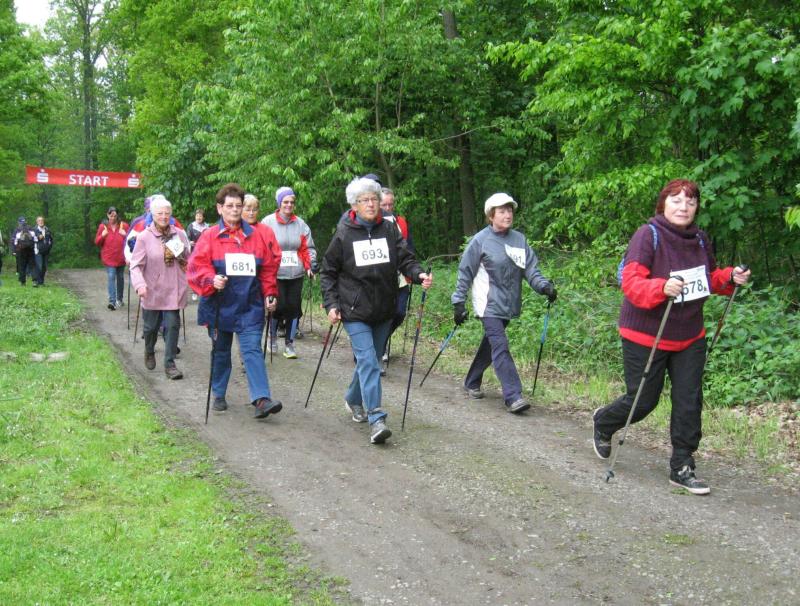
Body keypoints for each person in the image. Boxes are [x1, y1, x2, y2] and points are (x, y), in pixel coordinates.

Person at [592, 179, 751, 495]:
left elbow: (707, 279)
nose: (684, 207)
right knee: (643, 400)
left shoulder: (700, 239)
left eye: (690, 202)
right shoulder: (647, 235)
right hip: (645, 334)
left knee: (689, 400)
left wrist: (730, 278)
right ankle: (605, 422)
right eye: (676, 200)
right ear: (663, 204)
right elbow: (631, 282)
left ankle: (682, 465)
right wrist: (661, 287)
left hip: (689, 334)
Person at [320, 177, 433, 444]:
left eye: (374, 199)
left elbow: (405, 258)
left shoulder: (389, 229)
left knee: (368, 360)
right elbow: (328, 272)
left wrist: (418, 274)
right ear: (354, 205)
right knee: (370, 361)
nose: (371, 204)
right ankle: (376, 418)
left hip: (384, 307)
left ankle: (353, 399)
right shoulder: (344, 233)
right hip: (354, 309)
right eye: (365, 200)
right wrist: (332, 304)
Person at [451, 193, 556, 414]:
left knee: (491, 343)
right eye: (502, 211)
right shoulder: (480, 240)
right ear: (491, 215)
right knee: (500, 344)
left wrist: (544, 287)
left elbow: (531, 270)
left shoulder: (519, 240)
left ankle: (472, 380)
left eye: (510, 210)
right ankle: (513, 395)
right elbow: (465, 272)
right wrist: (458, 302)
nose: (507, 215)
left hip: (508, 304)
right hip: (487, 303)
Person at [187, 182, 283, 419]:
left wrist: (270, 293)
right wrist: (211, 279)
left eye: (238, 206)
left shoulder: (257, 236)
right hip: (219, 305)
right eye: (229, 206)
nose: (235, 210)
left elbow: (268, 268)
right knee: (221, 352)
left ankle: (261, 399)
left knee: (252, 350)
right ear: (220, 208)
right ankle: (219, 393)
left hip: (250, 305)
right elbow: (196, 267)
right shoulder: (209, 236)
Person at [129, 196, 190, 379]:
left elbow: (188, 259)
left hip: (173, 288)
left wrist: (185, 264)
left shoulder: (179, 234)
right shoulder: (144, 237)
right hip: (152, 289)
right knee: (150, 328)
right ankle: (149, 350)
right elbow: (135, 266)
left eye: (167, 213)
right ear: (152, 214)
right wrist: (140, 285)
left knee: (172, 325)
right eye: (160, 213)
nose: (164, 216)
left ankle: (170, 364)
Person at [261, 187, 317, 359]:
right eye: (285, 202)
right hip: (275, 273)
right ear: (279, 203)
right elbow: (261, 246)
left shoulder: (300, 224)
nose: (289, 205)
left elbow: (307, 248)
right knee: (277, 307)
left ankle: (290, 343)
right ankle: (272, 337)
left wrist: (310, 266)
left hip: (295, 274)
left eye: (292, 202)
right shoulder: (268, 222)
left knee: (293, 308)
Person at [377, 187, 413, 374]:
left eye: (391, 204)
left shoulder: (401, 222)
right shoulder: (374, 224)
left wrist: (414, 271)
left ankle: (380, 341)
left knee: (399, 312)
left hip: (400, 276)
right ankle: (377, 349)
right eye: (384, 205)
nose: (388, 208)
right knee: (382, 314)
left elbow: (409, 247)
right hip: (381, 278)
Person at [95, 207, 129, 309]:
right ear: (107, 215)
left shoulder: (124, 226)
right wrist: (102, 236)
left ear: (117, 215)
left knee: (120, 278)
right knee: (111, 276)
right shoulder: (103, 227)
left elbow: (132, 241)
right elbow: (97, 242)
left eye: (115, 216)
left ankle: (119, 299)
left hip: (121, 257)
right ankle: (112, 301)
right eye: (111, 215)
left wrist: (125, 235)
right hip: (109, 258)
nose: (113, 218)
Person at [12, 217, 38, 286]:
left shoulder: (17, 230)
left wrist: (14, 250)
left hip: (21, 250)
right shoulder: (31, 229)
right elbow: (35, 239)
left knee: (22, 266)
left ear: (19, 223)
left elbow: (14, 241)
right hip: (30, 250)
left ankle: (22, 282)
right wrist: (35, 248)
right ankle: (35, 281)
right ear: (26, 222)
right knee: (32, 266)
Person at [33, 216, 53, 286]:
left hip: (46, 251)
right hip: (38, 251)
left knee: (44, 267)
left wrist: (49, 247)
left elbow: (51, 239)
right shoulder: (34, 230)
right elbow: (32, 239)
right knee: (39, 266)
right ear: (37, 222)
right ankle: (36, 281)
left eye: (42, 220)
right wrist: (38, 237)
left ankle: (41, 282)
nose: (41, 222)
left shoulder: (47, 229)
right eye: (39, 220)